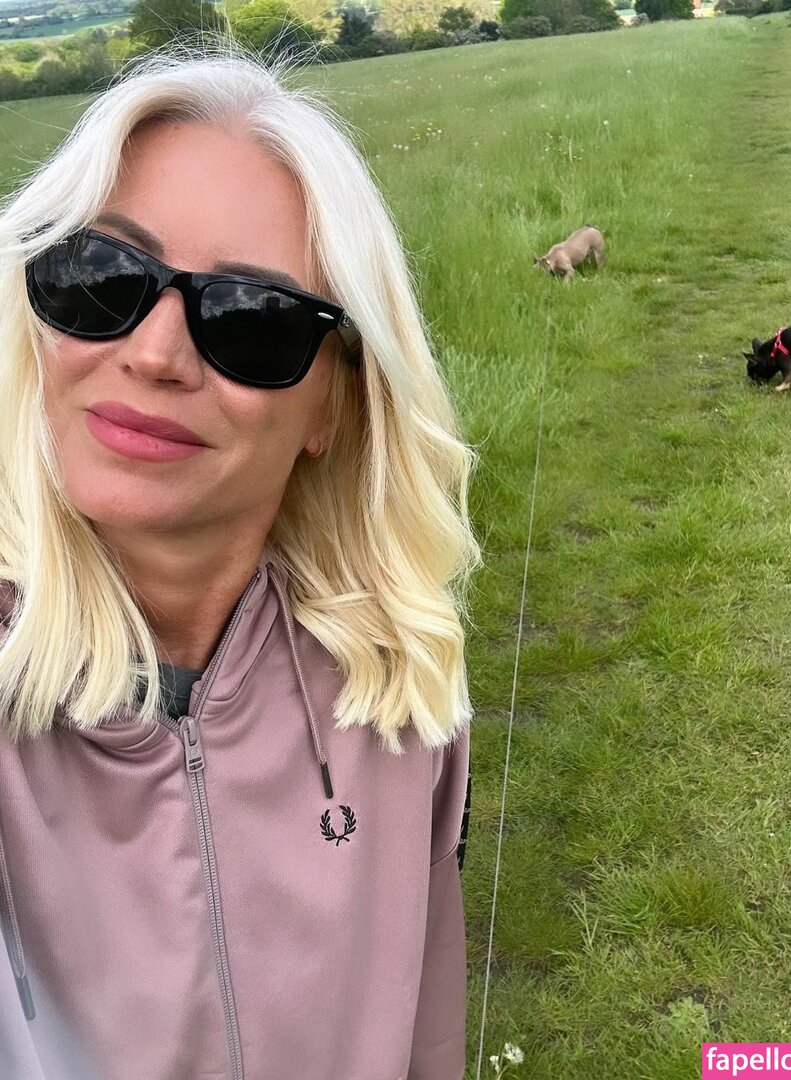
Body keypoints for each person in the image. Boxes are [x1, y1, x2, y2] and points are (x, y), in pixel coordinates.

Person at [0, 45, 481, 1080]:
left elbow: (429, 1031)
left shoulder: (396, 690)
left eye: (250, 319)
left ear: (333, 407)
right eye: (98, 278)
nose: (155, 354)